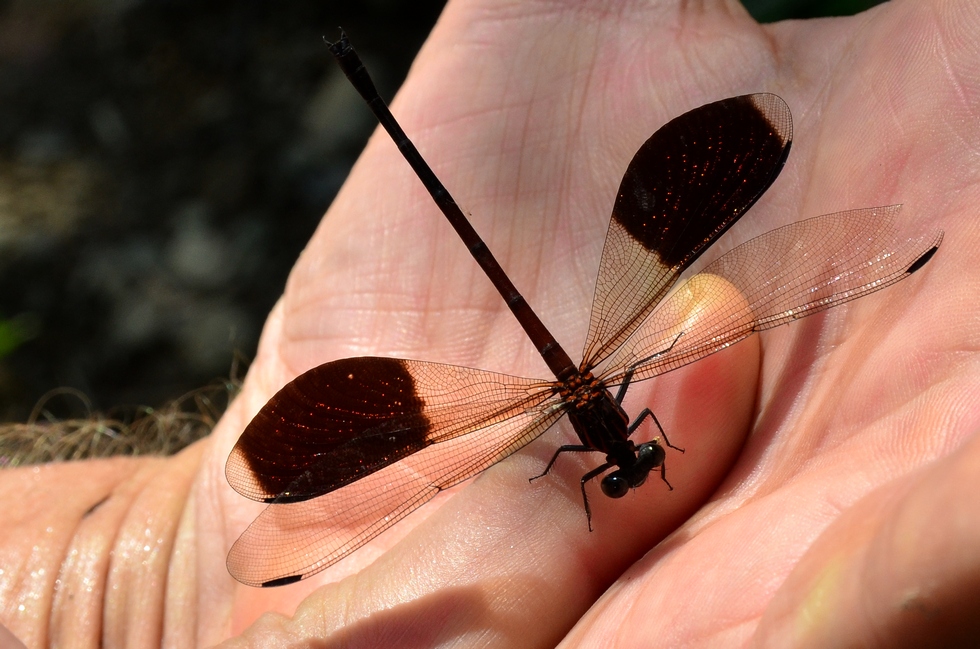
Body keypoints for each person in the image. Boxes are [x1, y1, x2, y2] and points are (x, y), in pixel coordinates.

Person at [3, 0, 979, 646]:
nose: (627, 461)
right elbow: (573, 455)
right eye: (631, 462)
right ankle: (355, 69)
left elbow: (573, 457)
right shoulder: (602, 427)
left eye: (625, 465)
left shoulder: (593, 438)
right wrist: (146, 591)